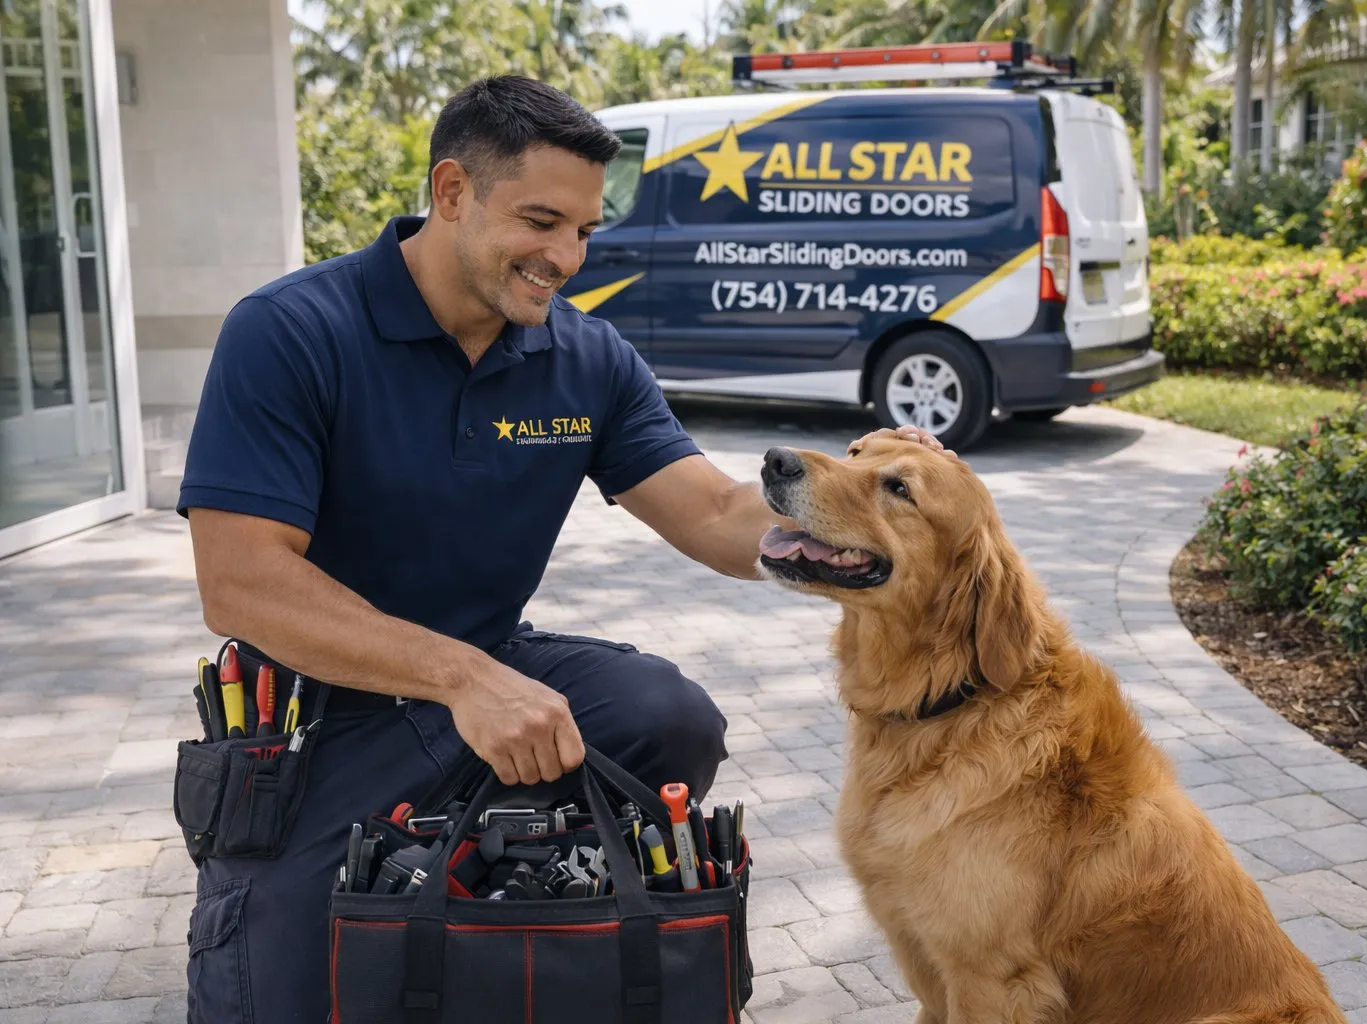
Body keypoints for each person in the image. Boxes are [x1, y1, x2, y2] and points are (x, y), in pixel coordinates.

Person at [176, 74, 944, 1023]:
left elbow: (710, 512)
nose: (567, 257)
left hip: (485, 677)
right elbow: (241, 584)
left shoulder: (587, 359)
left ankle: (509, 917)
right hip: (318, 719)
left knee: (672, 717)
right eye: (541, 221)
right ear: (451, 193)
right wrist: (464, 680)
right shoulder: (291, 333)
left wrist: (870, 511)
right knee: (273, 1000)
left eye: (584, 230)